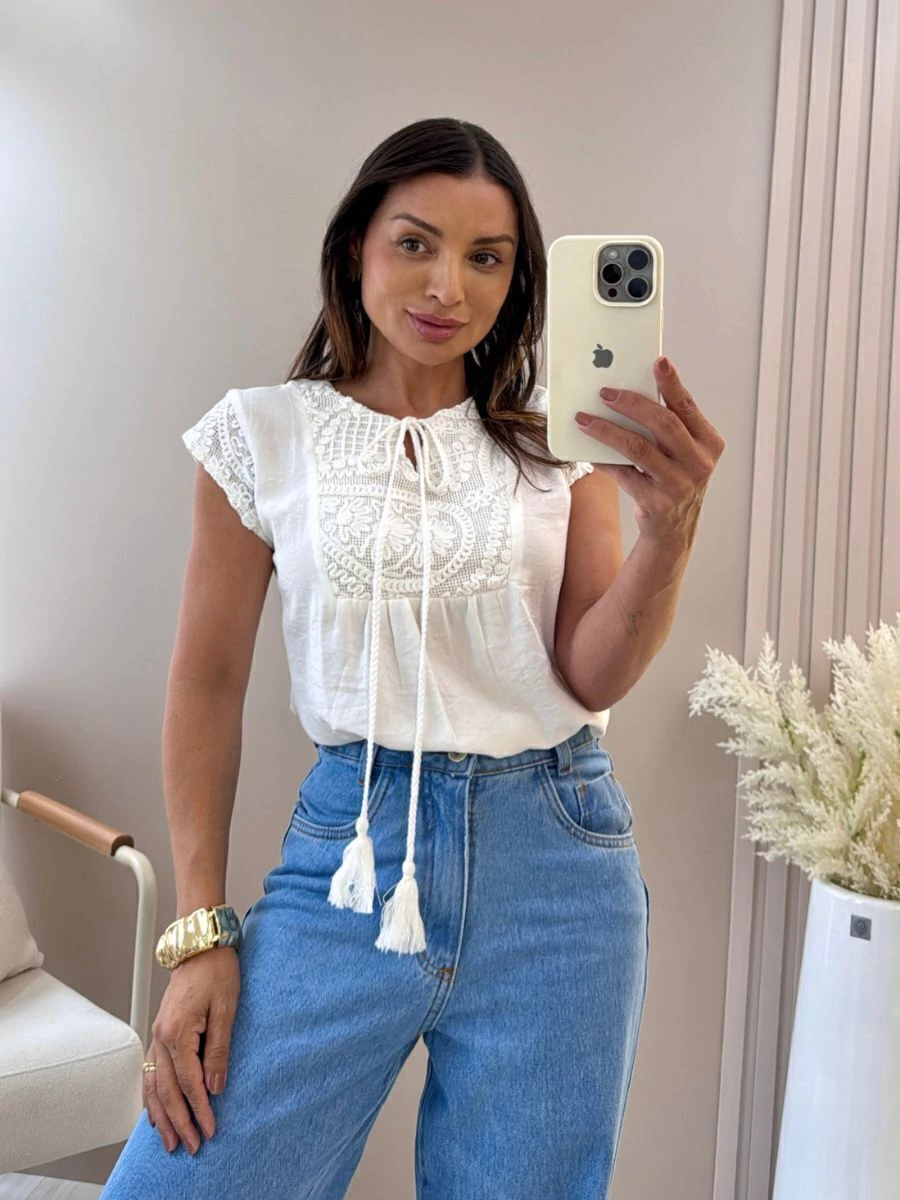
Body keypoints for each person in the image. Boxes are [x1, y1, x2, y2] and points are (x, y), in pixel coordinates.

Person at [101, 116, 724, 1199]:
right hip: (351, 857)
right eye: (416, 243)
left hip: (557, 870)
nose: (448, 286)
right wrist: (199, 933)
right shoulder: (260, 437)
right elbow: (207, 682)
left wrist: (668, 536)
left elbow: (591, 672)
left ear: (517, 280)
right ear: (358, 246)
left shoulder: (558, 448)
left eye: (487, 257)